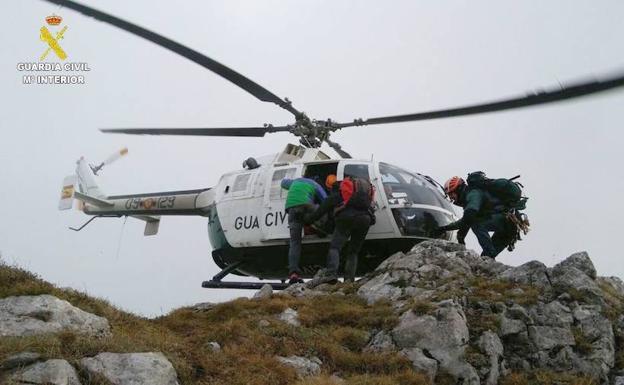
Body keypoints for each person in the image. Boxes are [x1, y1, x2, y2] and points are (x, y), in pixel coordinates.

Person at [305, 175, 375, 284]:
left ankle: (331, 274)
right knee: (353, 252)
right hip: (365, 219)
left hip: (345, 219)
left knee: (335, 248)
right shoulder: (363, 196)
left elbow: (320, 212)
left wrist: (307, 220)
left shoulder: (337, 196)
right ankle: (349, 280)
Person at [435, 176, 516, 258]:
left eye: (451, 193)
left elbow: (468, 218)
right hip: (510, 227)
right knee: (486, 257)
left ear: (458, 189)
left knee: (477, 225)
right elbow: (467, 220)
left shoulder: (473, 194)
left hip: (506, 221)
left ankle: (490, 255)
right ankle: (489, 259)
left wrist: (458, 234)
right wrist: (451, 231)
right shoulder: (469, 198)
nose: (451, 197)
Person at [281, 177, 328, 284]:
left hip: (291, 209)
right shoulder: (316, 185)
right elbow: (326, 201)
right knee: (321, 209)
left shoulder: (295, 182)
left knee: (295, 243)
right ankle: (317, 226)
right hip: (307, 206)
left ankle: (293, 273)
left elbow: (283, 183)